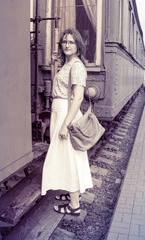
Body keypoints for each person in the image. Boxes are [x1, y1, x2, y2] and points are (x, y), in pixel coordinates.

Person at [41, 28, 93, 216]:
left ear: (78, 45)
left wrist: (65, 125)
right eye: (64, 41)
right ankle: (73, 195)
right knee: (69, 157)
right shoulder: (68, 63)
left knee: (70, 158)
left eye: (71, 42)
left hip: (66, 115)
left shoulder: (77, 66)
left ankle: (74, 206)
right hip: (61, 112)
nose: (67, 44)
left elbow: (78, 98)